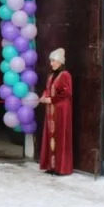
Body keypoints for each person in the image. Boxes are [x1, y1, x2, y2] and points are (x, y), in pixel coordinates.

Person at [39, 48, 74, 176]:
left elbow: (67, 93)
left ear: (60, 62)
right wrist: (44, 96)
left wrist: (52, 99)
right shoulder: (51, 76)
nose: (51, 63)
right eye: (51, 61)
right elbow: (48, 89)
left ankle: (62, 167)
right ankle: (52, 165)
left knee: (60, 135)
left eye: (53, 61)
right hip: (51, 110)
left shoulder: (65, 75)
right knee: (51, 135)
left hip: (61, 109)